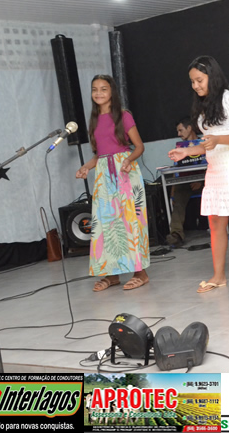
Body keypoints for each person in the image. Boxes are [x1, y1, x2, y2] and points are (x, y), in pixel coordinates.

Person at [168, 56, 229, 293]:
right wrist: (188, 151)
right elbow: (208, 143)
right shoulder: (203, 105)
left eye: (199, 80)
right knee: (215, 222)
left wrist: (219, 139)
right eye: (192, 81)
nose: (195, 86)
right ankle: (219, 276)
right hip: (216, 169)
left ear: (212, 77)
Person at [75, 74, 150, 292]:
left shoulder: (123, 116)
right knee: (105, 223)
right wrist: (86, 167)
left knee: (130, 221)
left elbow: (139, 146)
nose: (98, 93)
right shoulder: (93, 119)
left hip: (125, 172)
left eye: (103, 89)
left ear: (112, 92)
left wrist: (128, 160)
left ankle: (140, 273)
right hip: (103, 175)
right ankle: (112, 274)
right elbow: (100, 154)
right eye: (94, 89)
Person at [165, 116, 204, 247]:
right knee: (178, 198)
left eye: (181, 130)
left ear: (190, 128)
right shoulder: (179, 149)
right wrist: (173, 190)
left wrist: (201, 182)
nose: (179, 134)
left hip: (206, 180)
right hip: (185, 182)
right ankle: (176, 234)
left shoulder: (204, 143)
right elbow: (176, 170)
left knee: (219, 192)